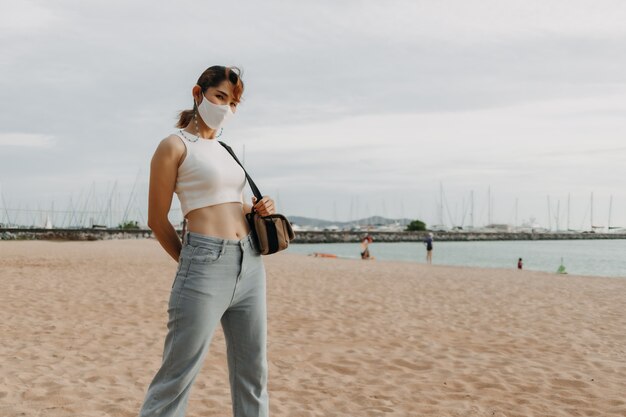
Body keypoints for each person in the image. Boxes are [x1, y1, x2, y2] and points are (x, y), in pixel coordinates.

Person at [138, 66, 275, 417]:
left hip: (250, 262)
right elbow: (157, 219)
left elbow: (227, 200)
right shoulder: (174, 145)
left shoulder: (224, 148)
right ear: (198, 93)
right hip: (203, 263)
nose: (226, 108)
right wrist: (190, 259)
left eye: (233, 102)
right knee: (177, 375)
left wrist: (257, 209)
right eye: (220, 97)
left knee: (253, 372)